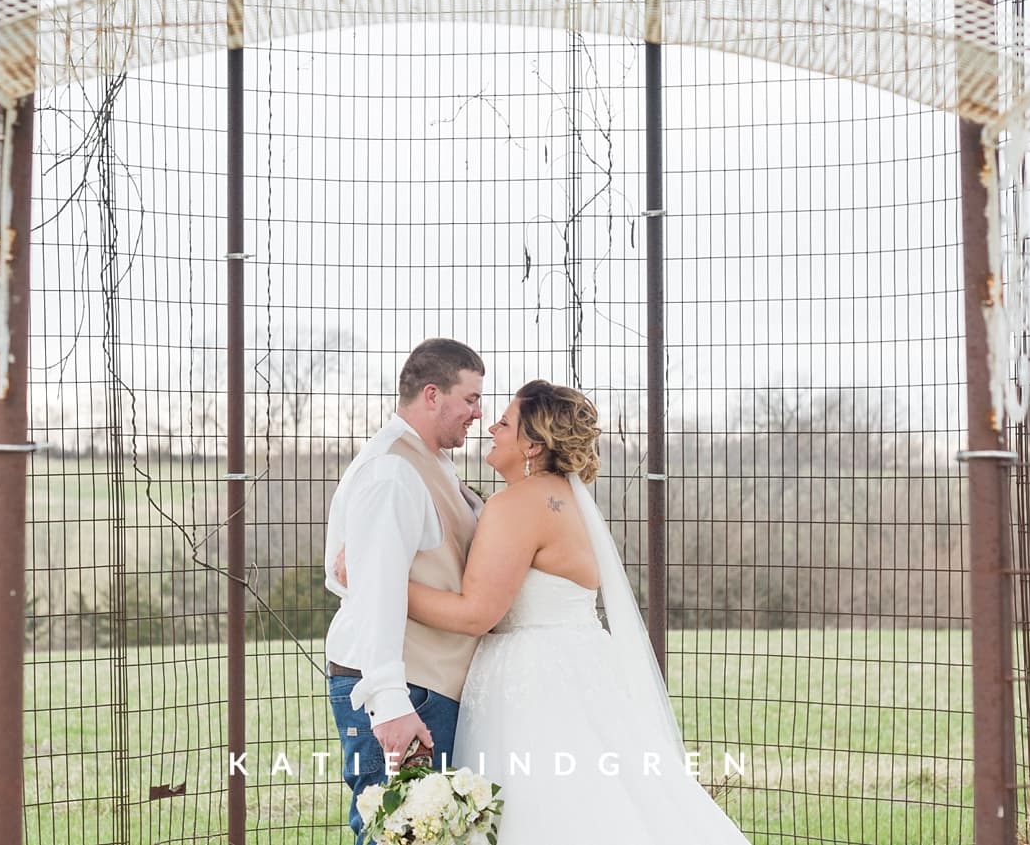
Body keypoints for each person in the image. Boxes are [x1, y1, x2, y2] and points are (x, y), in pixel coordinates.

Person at [402, 380, 752, 843]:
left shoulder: (514, 506)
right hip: (584, 672)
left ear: (532, 443)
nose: (490, 426)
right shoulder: (568, 501)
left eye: (504, 423)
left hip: (531, 688)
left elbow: (475, 614)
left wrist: (384, 583)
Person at [321, 338, 487, 844]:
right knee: (398, 833)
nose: (479, 413)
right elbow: (373, 594)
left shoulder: (431, 463)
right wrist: (389, 702)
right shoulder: (393, 471)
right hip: (403, 689)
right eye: (471, 398)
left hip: (425, 682)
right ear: (432, 395)